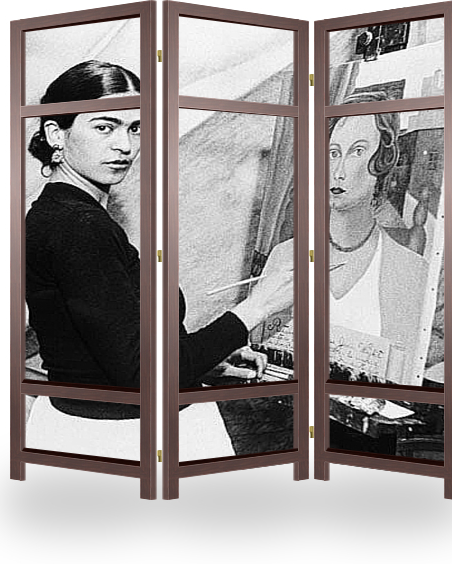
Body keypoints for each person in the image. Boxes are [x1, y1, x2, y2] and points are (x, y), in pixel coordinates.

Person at [25, 60, 293, 460]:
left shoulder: (58, 213)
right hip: (123, 438)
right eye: (105, 127)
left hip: (95, 429)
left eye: (135, 128)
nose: (125, 145)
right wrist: (257, 307)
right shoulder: (78, 225)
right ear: (55, 133)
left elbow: (105, 349)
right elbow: (142, 373)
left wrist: (203, 357)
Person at [328, 91, 428, 385]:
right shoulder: (285, 256)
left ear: (383, 161)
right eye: (333, 153)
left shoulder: (412, 270)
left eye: (357, 151)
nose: (338, 171)